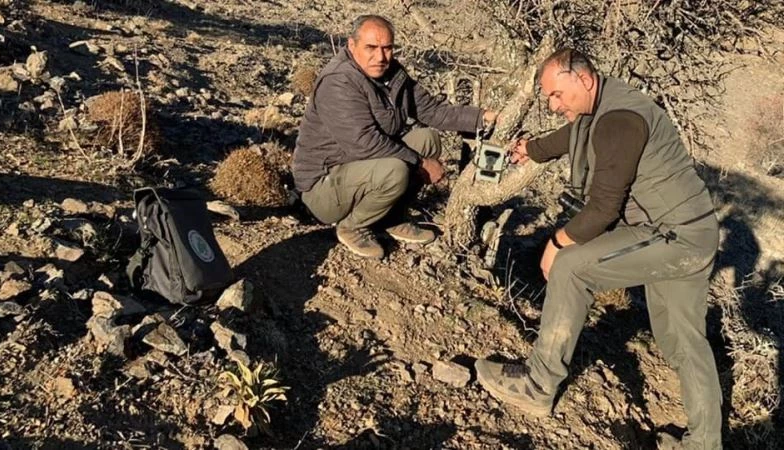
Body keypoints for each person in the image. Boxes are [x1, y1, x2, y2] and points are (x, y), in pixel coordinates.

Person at [474, 49, 722, 449]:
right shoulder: (608, 101)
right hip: (696, 233)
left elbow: (604, 209)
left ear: (584, 80)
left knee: (572, 266)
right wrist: (533, 149)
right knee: (685, 340)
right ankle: (705, 443)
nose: (554, 106)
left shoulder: (620, 121)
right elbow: (575, 133)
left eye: (557, 95)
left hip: (671, 235)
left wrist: (556, 242)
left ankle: (538, 384)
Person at [292, 14, 497, 259]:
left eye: (387, 48)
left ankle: (389, 218)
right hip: (324, 186)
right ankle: (353, 226)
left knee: (427, 140)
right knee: (396, 170)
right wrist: (420, 163)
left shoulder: (392, 73)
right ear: (351, 45)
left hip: (359, 170)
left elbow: (432, 111)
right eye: (371, 47)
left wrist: (482, 117)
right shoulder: (339, 82)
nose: (380, 57)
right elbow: (364, 143)